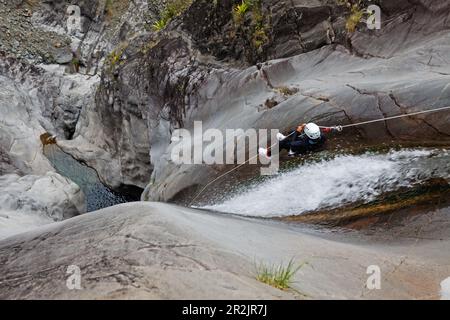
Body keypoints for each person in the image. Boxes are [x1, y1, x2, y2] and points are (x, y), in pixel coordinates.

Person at [259, 123, 342, 159]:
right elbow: (320, 132)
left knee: (283, 142)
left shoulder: (301, 143)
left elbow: (293, 144)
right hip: (310, 144)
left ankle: (269, 154)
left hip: (297, 149)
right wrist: (331, 129)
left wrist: (298, 131)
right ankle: (286, 138)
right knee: (292, 132)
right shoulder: (322, 137)